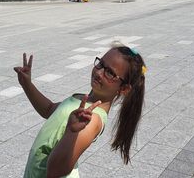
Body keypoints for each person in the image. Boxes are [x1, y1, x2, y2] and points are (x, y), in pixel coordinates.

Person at [15, 46, 146, 177]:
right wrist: (27, 84)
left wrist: (71, 132)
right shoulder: (82, 100)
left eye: (110, 73)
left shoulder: (92, 119)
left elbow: (56, 170)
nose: (99, 72)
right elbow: (49, 109)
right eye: (101, 64)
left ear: (124, 89)